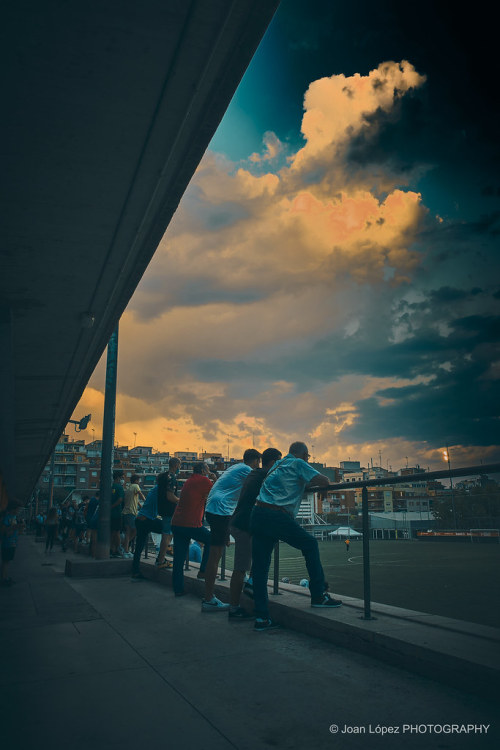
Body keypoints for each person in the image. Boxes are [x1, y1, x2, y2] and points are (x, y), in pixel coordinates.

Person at [250, 441, 342, 631]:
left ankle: (261, 618)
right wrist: (322, 487)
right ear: (304, 455)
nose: (307, 460)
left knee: (260, 568)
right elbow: (324, 481)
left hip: (257, 513)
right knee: (309, 544)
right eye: (307, 458)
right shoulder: (298, 464)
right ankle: (318, 595)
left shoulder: (277, 464)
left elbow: (291, 483)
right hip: (276, 515)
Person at [202, 449, 261, 612]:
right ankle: (208, 599)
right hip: (219, 510)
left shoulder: (236, 468)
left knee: (216, 553)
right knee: (215, 556)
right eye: (259, 462)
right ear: (256, 461)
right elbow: (259, 487)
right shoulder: (247, 470)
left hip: (217, 509)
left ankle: (210, 597)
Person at [228, 447, 282, 620]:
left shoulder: (255, 474)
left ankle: (249, 587)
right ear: (273, 463)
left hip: (242, 523)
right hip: (243, 526)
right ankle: (234, 609)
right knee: (240, 568)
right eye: (279, 463)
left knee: (257, 555)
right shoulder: (264, 476)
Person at [171, 462, 215, 597]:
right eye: (207, 469)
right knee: (211, 540)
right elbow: (217, 492)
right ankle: (202, 571)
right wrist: (214, 476)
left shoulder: (189, 480)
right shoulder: (204, 480)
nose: (208, 471)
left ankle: (178, 589)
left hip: (177, 522)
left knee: (178, 559)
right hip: (190, 524)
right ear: (202, 470)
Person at [154, 458, 181, 569]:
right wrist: (181, 501)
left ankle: (161, 557)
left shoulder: (162, 476)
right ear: (176, 465)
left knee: (168, 534)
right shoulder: (172, 478)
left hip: (162, 509)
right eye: (180, 465)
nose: (180, 467)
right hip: (169, 510)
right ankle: (160, 561)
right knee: (167, 534)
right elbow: (170, 496)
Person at [122, 475, 145, 558]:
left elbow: (135, 500)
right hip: (131, 512)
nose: (139, 482)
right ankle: (124, 546)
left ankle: (125, 550)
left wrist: (141, 506)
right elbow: (141, 494)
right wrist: (146, 503)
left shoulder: (129, 487)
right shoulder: (136, 486)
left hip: (125, 512)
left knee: (128, 532)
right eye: (139, 480)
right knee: (135, 530)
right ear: (136, 480)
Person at [1, 501, 21, 586]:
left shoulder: (14, 517)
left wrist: (18, 528)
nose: (18, 511)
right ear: (13, 509)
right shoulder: (7, 518)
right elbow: (4, 531)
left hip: (12, 542)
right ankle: (3, 579)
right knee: (5, 561)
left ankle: (5, 577)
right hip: (7, 542)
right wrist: (14, 527)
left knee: (7, 561)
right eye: (17, 509)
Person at [110, 471, 125, 557]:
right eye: (122, 477)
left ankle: (111, 549)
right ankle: (117, 549)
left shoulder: (111, 486)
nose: (123, 479)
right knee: (117, 532)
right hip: (117, 513)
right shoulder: (119, 488)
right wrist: (112, 506)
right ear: (118, 478)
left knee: (112, 532)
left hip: (110, 514)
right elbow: (120, 500)